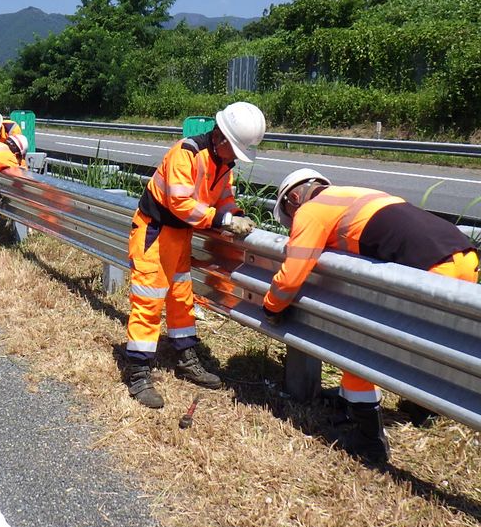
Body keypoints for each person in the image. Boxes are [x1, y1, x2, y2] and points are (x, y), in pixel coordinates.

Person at [263, 168, 479, 462]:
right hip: (464, 257)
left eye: (289, 215)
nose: (292, 222)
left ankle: (368, 438)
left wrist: (271, 307)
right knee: (433, 341)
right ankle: (422, 407)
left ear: (292, 198)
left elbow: (291, 275)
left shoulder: (311, 210)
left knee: (359, 344)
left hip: (430, 268)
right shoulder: (353, 195)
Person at [124, 101, 267, 408]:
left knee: (181, 299)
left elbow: (224, 197)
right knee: (149, 301)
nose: (237, 160)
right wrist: (224, 220)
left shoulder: (222, 162)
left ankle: (186, 357)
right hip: (156, 233)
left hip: (180, 236)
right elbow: (180, 203)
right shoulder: (186, 153)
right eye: (237, 151)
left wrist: (236, 214)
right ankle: (137, 372)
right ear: (222, 138)